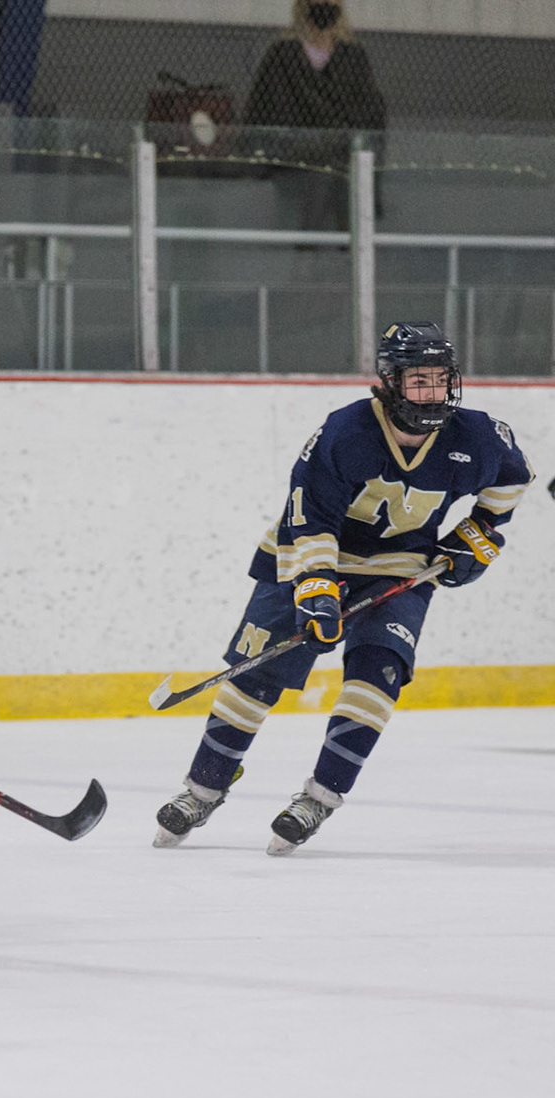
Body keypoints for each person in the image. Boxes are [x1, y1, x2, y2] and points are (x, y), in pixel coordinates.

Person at [155, 321, 535, 855]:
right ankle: (203, 789)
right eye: (418, 380)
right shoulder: (346, 432)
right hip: (307, 557)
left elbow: (515, 480)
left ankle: (320, 798)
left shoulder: (478, 436)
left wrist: (478, 534)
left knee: (378, 673)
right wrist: (317, 589)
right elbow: (310, 520)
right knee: (257, 675)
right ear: (390, 381)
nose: (432, 392)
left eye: (440, 379)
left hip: (400, 568)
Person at [243, 0, 385, 232]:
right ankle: (320, 246)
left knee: (337, 171)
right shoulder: (283, 54)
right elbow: (268, 110)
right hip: (294, 153)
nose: (324, 3)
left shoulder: (353, 55)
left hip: (341, 152)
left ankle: (328, 246)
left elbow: (368, 112)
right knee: (327, 170)